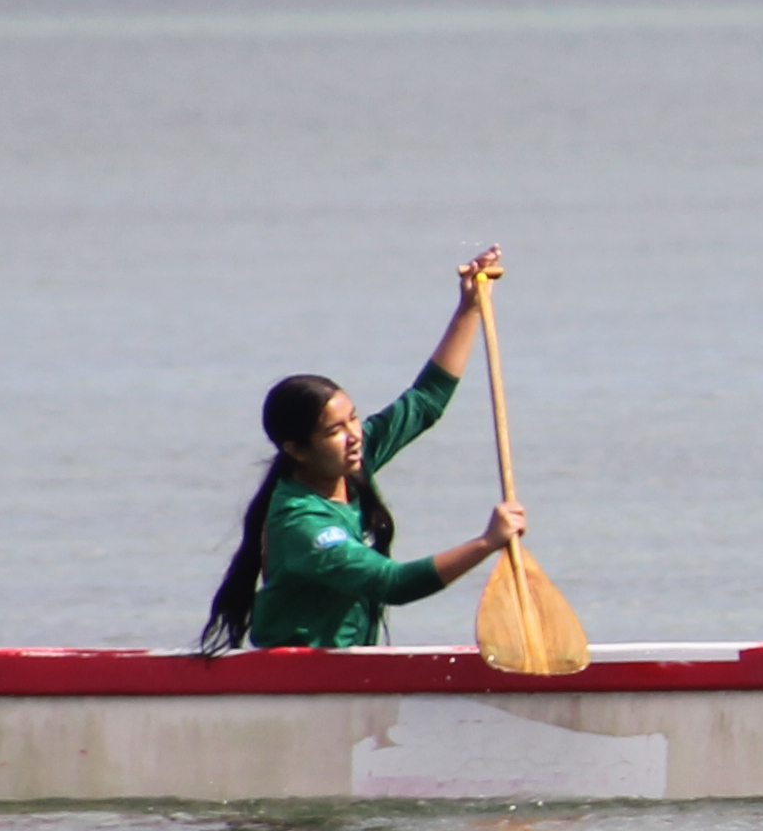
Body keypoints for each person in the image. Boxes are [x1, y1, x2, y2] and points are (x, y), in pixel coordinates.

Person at [198, 247, 527, 653]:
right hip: (298, 673)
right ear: (297, 450)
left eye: (353, 418)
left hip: (344, 665)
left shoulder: (350, 462)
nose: (354, 435)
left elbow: (426, 401)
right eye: (335, 430)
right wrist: (486, 542)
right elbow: (393, 584)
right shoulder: (302, 524)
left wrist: (470, 308)